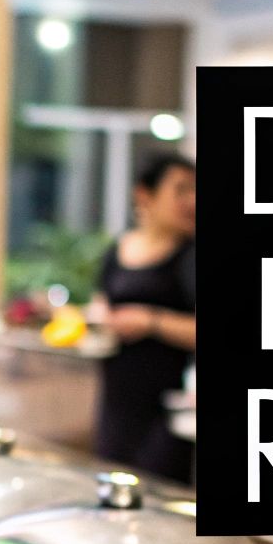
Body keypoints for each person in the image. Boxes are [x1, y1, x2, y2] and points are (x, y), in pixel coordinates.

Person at [88, 154, 198, 485]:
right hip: (118, 396)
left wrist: (150, 321)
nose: (191, 201)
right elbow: (101, 302)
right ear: (144, 195)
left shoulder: (191, 257)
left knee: (159, 492)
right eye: (180, 190)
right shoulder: (119, 248)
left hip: (172, 405)